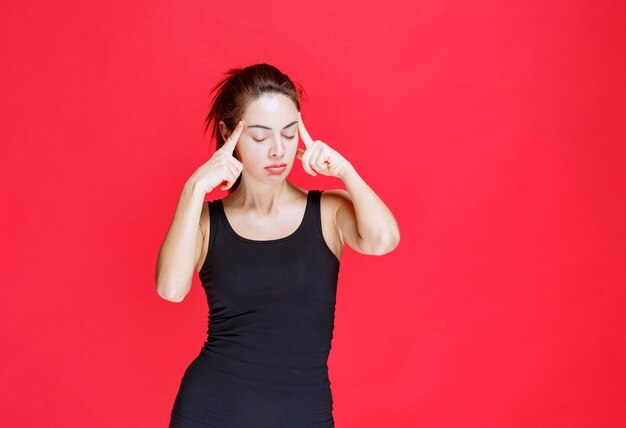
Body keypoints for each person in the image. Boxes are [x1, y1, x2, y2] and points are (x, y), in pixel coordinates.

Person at [155, 63, 400, 427]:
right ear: (228, 135)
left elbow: (383, 240)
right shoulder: (206, 222)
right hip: (211, 410)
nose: (278, 151)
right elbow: (171, 289)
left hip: (303, 412)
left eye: (289, 133)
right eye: (259, 137)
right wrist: (194, 189)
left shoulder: (328, 210)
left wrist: (346, 171)